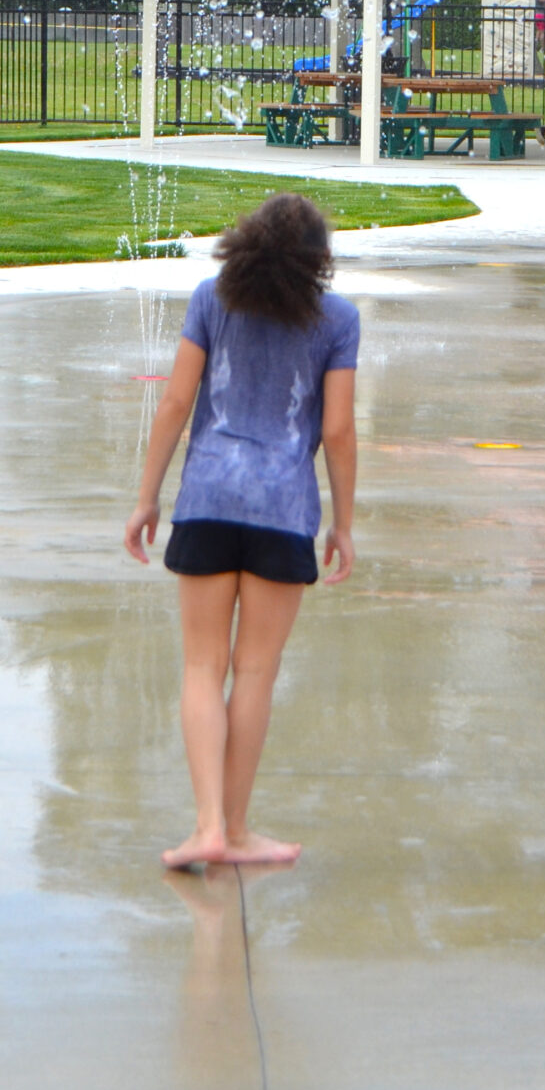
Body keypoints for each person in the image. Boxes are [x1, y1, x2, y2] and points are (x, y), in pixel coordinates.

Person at [125, 192, 357, 871]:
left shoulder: (210, 298)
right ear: (319, 259)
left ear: (246, 241)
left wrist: (146, 499)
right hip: (282, 509)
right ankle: (235, 826)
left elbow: (175, 401)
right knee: (253, 673)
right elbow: (337, 430)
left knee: (202, 666)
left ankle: (204, 828)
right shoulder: (336, 319)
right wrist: (343, 522)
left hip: (205, 497)